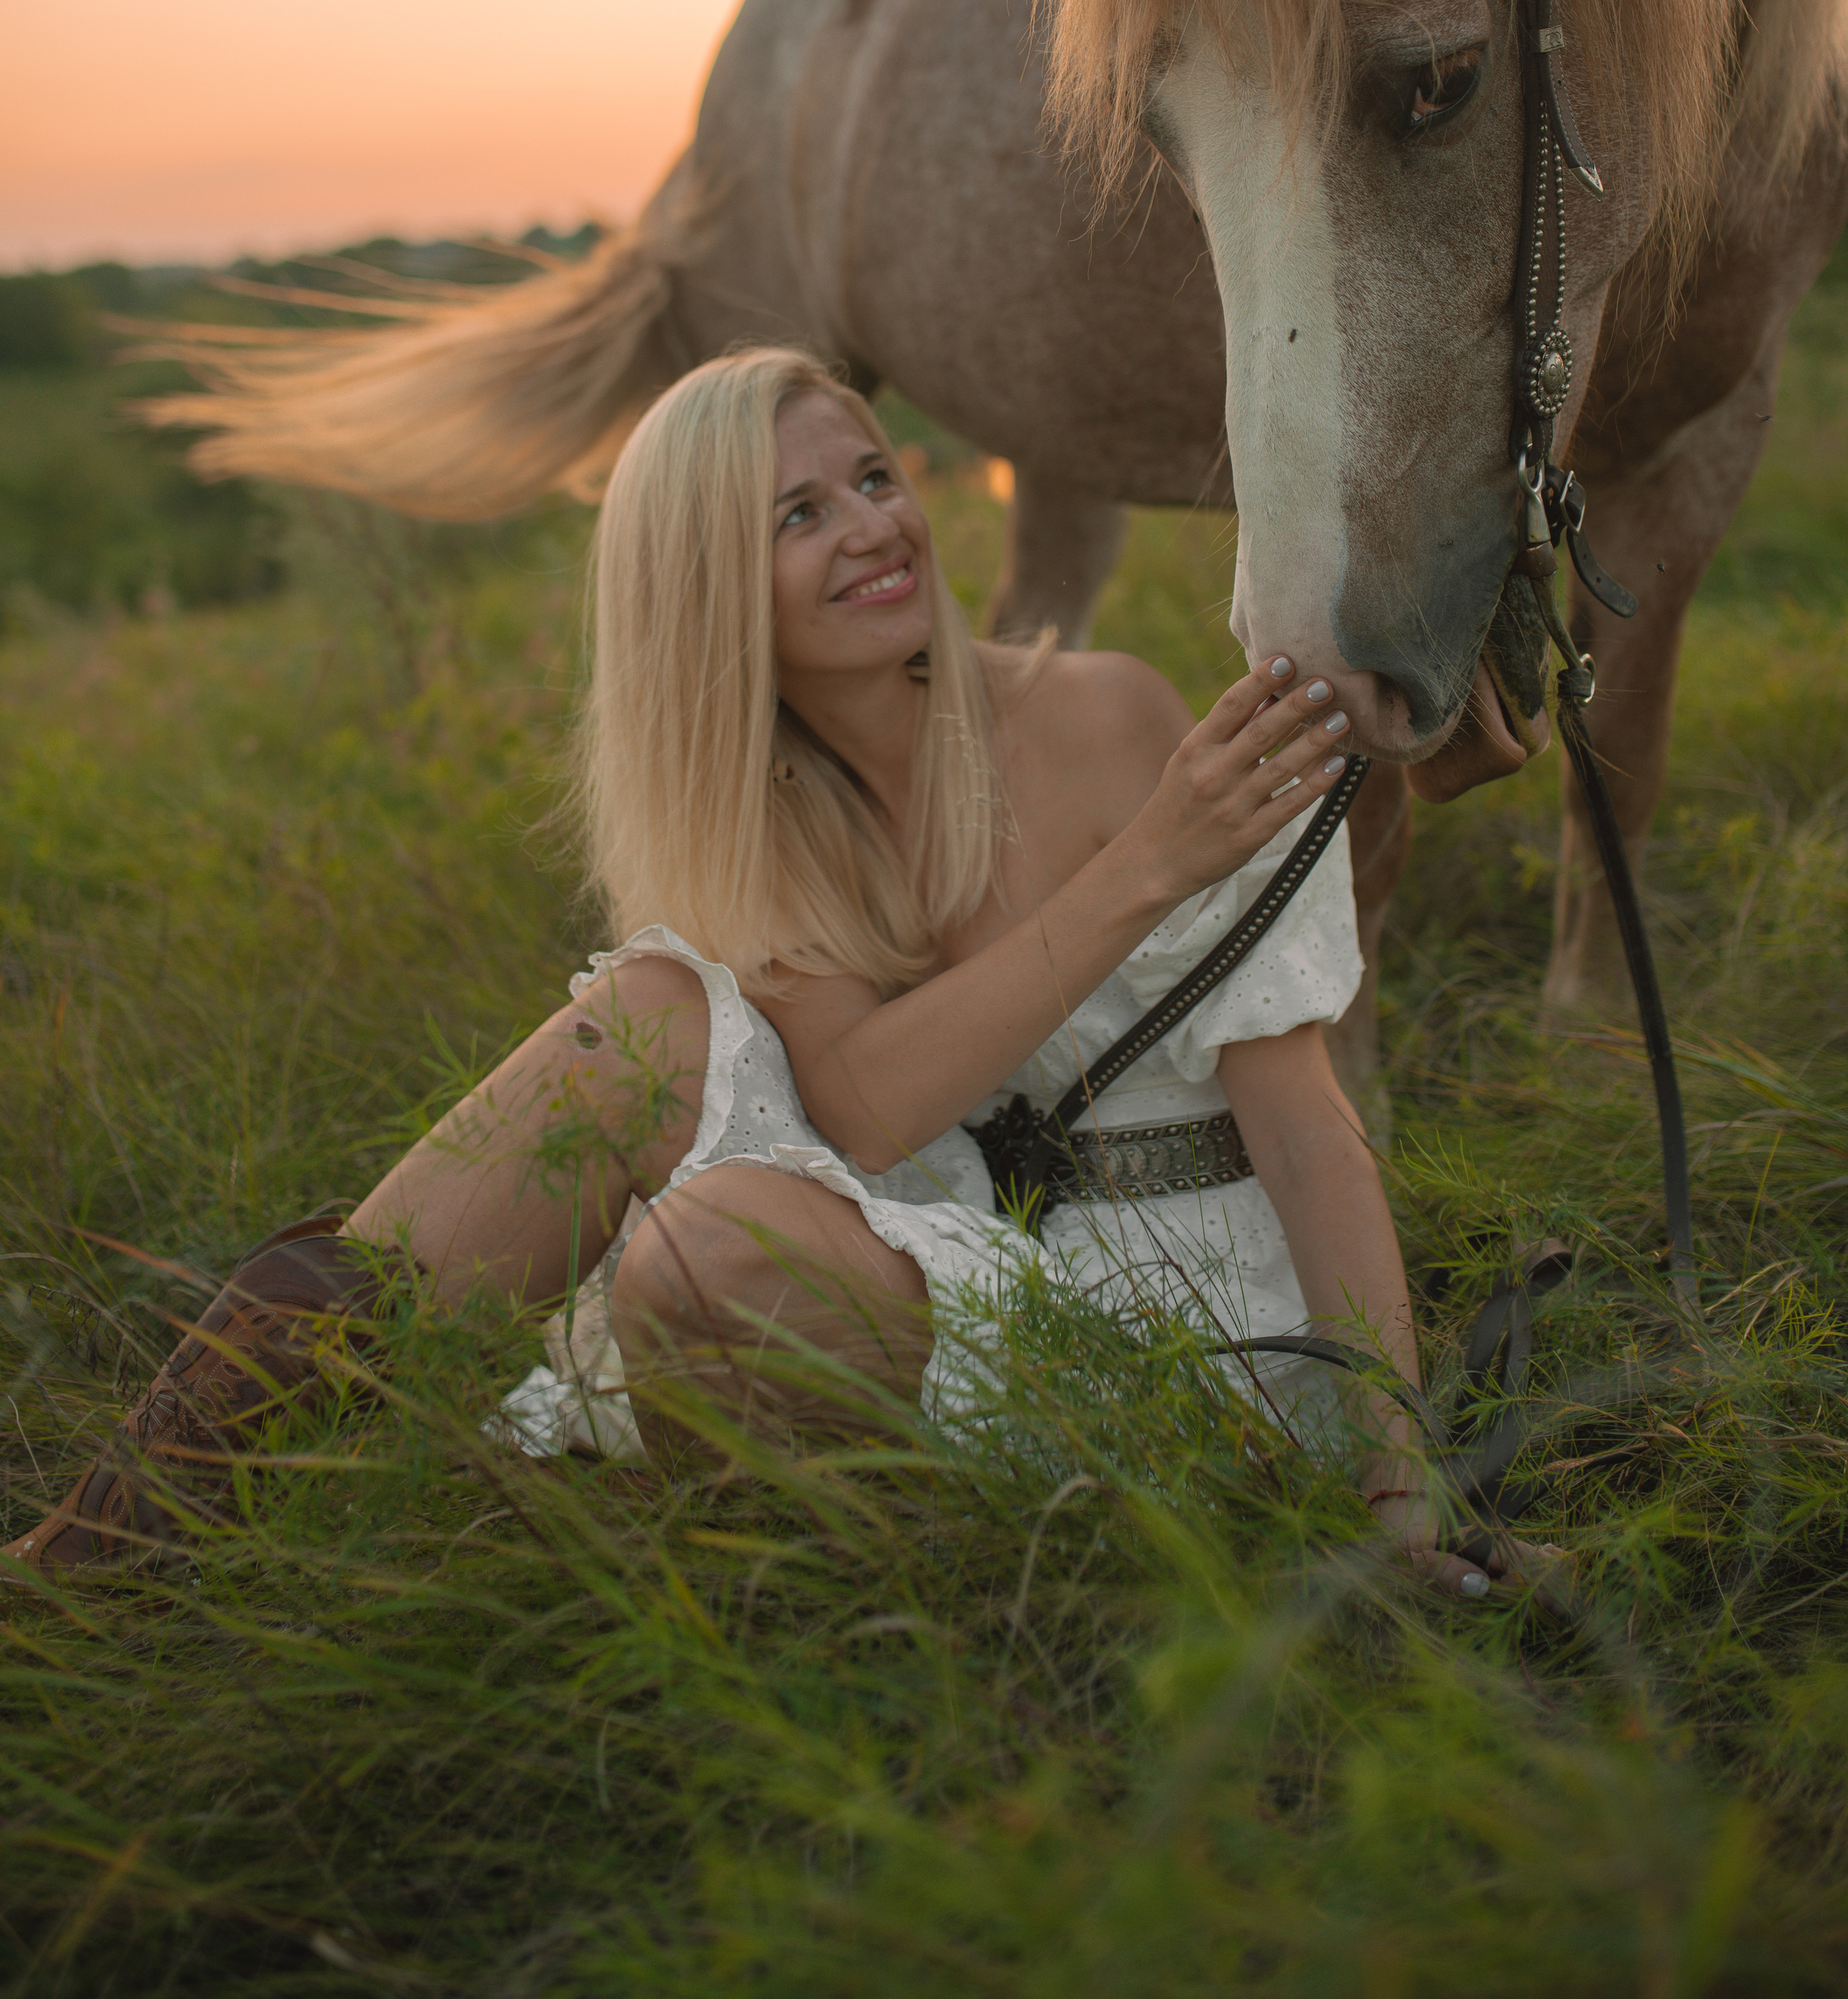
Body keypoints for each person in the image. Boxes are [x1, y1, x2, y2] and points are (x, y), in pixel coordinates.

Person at [5, 349, 1524, 1603]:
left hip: (1189, 1315)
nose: (869, 526)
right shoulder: (761, 819)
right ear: (706, 590)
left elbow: (1307, 1128)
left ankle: (846, 1604)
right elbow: (866, 1114)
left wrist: (1400, 1497)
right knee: (647, 1024)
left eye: (872, 476)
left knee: (711, 1259)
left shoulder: (1108, 722)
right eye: (796, 513)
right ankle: (133, 1547)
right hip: (960, 1261)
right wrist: (1143, 873)